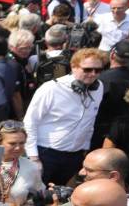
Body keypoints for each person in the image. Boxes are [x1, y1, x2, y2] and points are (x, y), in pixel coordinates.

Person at [24, 48, 107, 187]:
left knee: (60, 194)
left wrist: (85, 148)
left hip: (75, 154)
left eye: (98, 70)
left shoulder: (98, 88)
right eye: (87, 69)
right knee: (36, 196)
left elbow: (90, 119)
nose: (93, 74)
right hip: (46, 153)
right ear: (73, 67)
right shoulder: (50, 89)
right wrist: (33, 157)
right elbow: (30, 122)